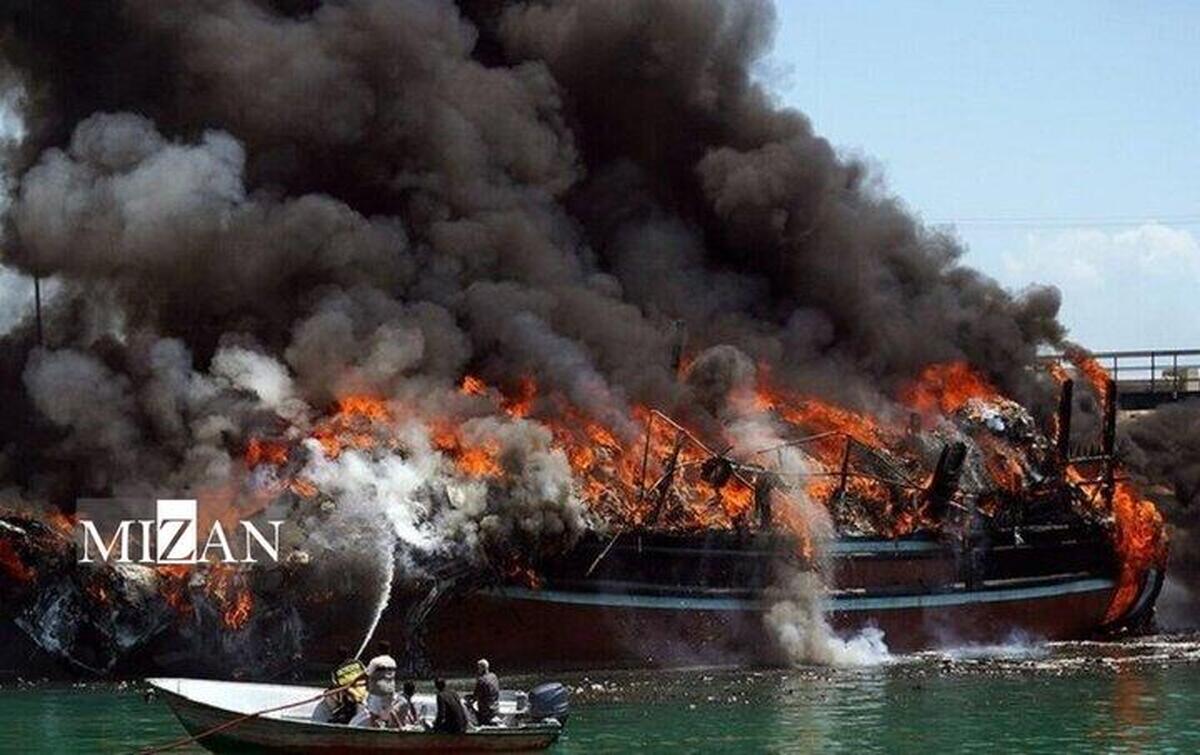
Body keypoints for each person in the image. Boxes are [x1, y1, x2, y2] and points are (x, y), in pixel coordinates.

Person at [311, 653, 366, 725]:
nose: (356, 690)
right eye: (348, 687)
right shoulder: (327, 706)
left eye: (361, 684)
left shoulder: (375, 699)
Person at [350, 653, 400, 728]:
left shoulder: (376, 661)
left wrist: (354, 681)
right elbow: (381, 675)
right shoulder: (392, 661)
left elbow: (366, 674)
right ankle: (398, 727)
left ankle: (373, 729)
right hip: (390, 691)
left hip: (378, 692)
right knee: (390, 710)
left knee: (373, 714)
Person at [472, 658, 500, 725]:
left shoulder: (481, 680)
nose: (478, 670)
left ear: (482, 668)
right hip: (496, 706)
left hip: (486, 710)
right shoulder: (494, 676)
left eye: (478, 668)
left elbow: (475, 696)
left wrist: (471, 699)